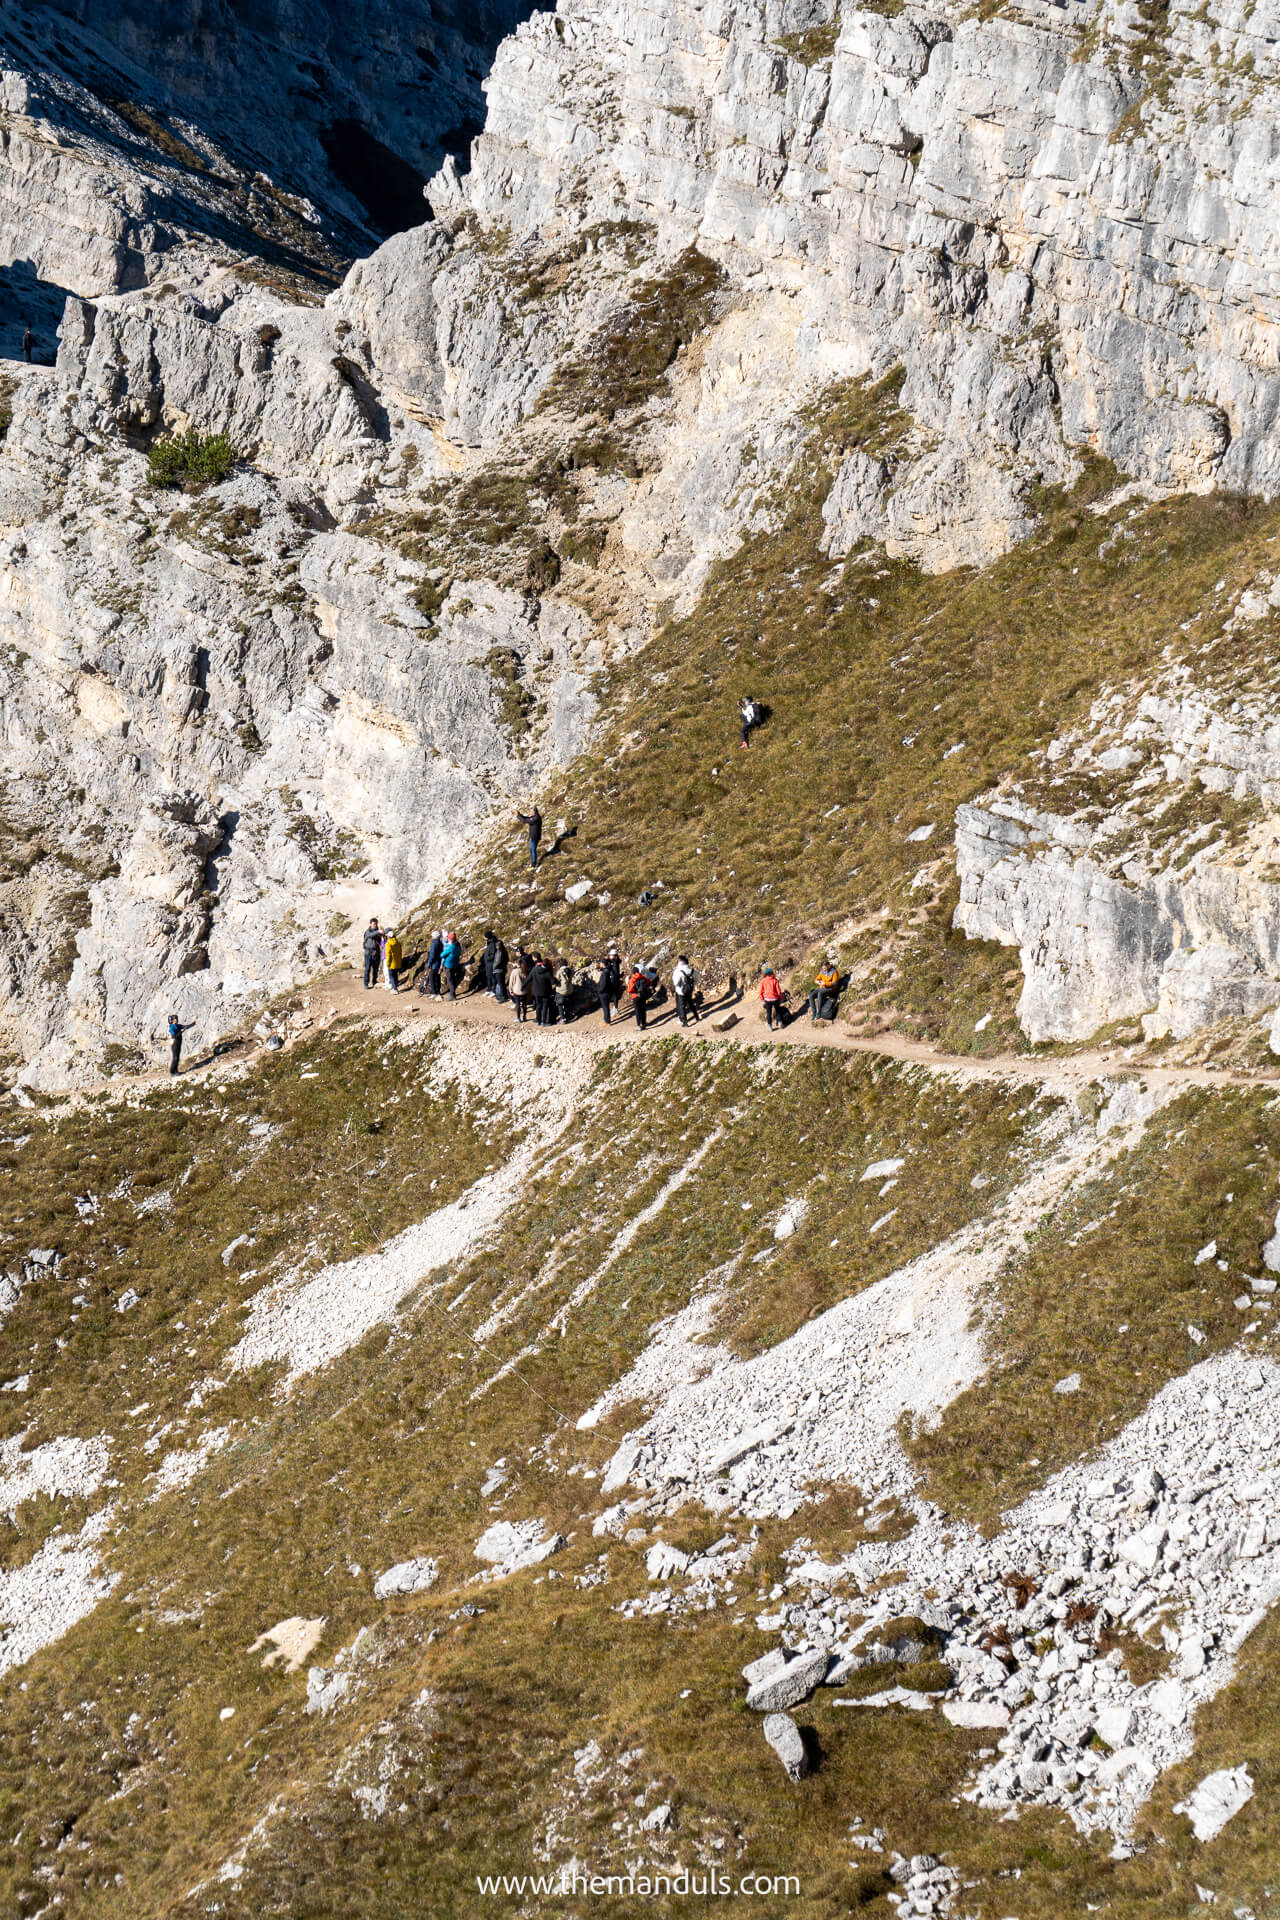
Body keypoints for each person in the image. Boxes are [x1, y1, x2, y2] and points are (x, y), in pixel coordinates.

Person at [808, 958, 841, 1024]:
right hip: (822, 987)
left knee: (820, 993)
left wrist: (825, 983)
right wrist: (817, 981)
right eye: (823, 968)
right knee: (811, 995)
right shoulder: (822, 971)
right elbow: (816, 979)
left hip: (830, 989)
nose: (824, 969)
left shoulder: (834, 972)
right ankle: (814, 1013)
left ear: (828, 966)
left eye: (825, 968)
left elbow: (835, 983)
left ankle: (819, 1013)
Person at [672, 954, 697, 1026]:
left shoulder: (678, 971)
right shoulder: (692, 970)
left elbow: (675, 982)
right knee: (691, 1003)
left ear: (681, 962)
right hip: (689, 990)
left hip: (680, 991)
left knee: (681, 1006)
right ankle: (697, 1016)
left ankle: (684, 1022)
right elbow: (697, 979)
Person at [530, 954, 555, 1025]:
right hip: (545, 991)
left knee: (538, 1006)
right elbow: (552, 981)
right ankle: (544, 1021)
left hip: (536, 991)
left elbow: (529, 978)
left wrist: (523, 986)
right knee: (545, 1006)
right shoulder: (547, 972)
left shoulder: (535, 970)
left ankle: (538, 1020)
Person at [629, 964, 653, 1031]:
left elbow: (630, 989)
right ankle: (644, 1023)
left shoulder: (632, 978)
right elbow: (650, 983)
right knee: (643, 1009)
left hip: (635, 996)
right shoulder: (642, 977)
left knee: (637, 1011)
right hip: (643, 995)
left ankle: (638, 1025)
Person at [510, 949, 532, 1021]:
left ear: (517, 964)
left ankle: (518, 1018)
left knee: (518, 1005)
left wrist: (510, 990)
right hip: (524, 990)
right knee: (524, 1005)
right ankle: (524, 1017)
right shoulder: (525, 971)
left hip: (517, 991)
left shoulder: (515, 971)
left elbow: (511, 982)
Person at [760, 965, 784, 1030]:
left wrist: (762, 998)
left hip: (767, 999)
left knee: (769, 1013)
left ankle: (770, 1026)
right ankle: (779, 1023)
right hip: (775, 998)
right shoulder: (775, 980)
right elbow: (778, 991)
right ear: (772, 973)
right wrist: (781, 998)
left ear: (766, 974)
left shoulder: (763, 981)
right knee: (777, 1010)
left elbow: (761, 991)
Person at [440, 929, 461, 999]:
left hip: (449, 965)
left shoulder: (451, 947)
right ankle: (452, 992)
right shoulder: (458, 944)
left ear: (450, 939)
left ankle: (452, 995)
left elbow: (442, 955)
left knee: (450, 980)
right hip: (455, 963)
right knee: (453, 978)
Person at [603, 946, 623, 1019]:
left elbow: (615, 973)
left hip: (614, 981)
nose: (609, 956)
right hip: (616, 981)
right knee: (615, 995)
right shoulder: (616, 961)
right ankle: (615, 1008)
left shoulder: (614, 963)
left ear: (613, 955)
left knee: (614, 995)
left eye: (610, 955)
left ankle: (615, 1009)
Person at [554, 956, 575, 1024]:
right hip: (570, 989)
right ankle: (568, 1015)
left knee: (559, 1004)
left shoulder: (560, 971)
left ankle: (563, 1018)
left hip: (562, 990)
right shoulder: (571, 970)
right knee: (567, 1004)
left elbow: (556, 980)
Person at [362, 918, 382, 989]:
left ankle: (374, 981)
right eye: (373, 924)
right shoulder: (368, 932)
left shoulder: (378, 932)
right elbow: (370, 935)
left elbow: (380, 941)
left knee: (375, 968)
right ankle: (366, 984)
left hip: (376, 952)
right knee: (367, 968)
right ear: (370, 924)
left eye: (375, 924)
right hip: (368, 953)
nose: (374, 925)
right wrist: (378, 932)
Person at [422, 930, 443, 996]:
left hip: (434, 964)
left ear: (434, 937)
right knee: (438, 977)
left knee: (432, 977)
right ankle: (438, 991)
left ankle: (433, 993)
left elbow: (432, 955)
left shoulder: (433, 944)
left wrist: (429, 963)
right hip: (439, 963)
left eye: (432, 936)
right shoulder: (441, 944)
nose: (432, 937)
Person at [384, 928, 402, 992]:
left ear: (388, 936)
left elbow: (388, 955)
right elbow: (400, 953)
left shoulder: (388, 944)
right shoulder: (398, 943)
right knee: (395, 975)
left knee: (391, 976)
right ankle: (396, 987)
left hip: (391, 963)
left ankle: (394, 989)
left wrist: (388, 963)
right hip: (397, 962)